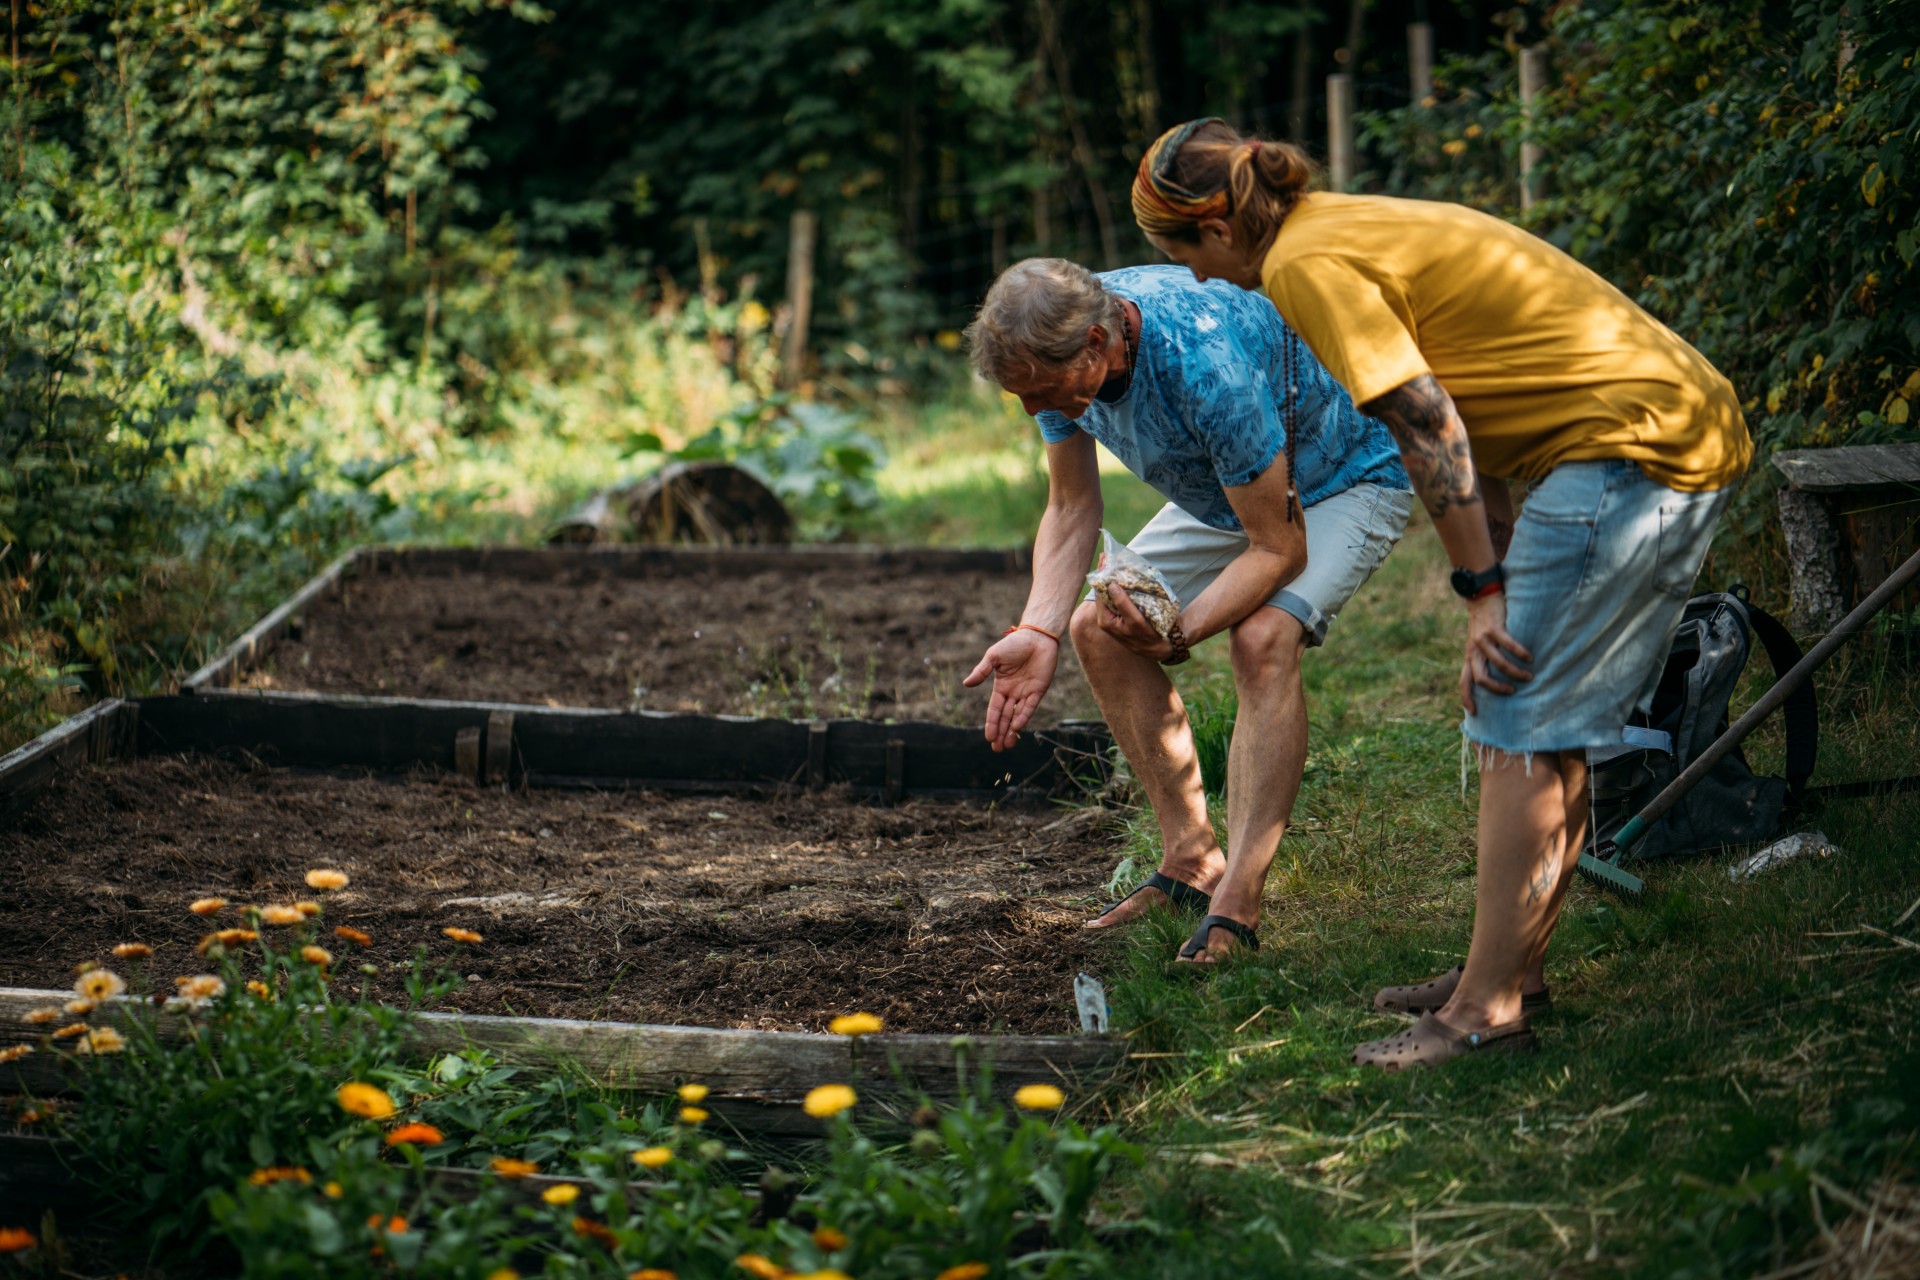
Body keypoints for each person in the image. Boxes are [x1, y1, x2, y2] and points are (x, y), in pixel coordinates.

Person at [1130, 118, 1751, 1064]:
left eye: (1184, 255)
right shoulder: (1336, 222)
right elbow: (1467, 393)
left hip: (1631, 449)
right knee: (1545, 721)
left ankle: (1482, 1014)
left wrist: (1482, 591)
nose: (1198, 279)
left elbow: (1423, 421)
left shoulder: (1304, 265)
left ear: (1216, 230)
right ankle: (1509, 972)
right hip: (1654, 429)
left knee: (1520, 718)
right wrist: (1497, 557)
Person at [961, 258, 1412, 965]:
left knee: (1262, 639)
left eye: (1042, 392)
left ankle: (1239, 899)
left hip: (1342, 476)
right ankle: (1191, 863)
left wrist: (1179, 632)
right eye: (1022, 395)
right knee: (1094, 626)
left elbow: (1278, 548)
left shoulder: (1202, 364)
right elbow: (1072, 504)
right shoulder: (1051, 348)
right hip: (1233, 489)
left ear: (1097, 343)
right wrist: (1038, 629)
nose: (1032, 408)